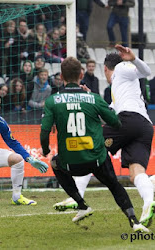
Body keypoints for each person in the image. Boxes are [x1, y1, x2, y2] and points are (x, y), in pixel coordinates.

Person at [40, 56, 148, 232]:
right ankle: (134, 221)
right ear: (81, 75)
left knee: (54, 162)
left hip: (70, 163)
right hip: (96, 159)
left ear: (61, 76)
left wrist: (45, 150)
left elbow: (44, 133)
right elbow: (116, 123)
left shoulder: (53, 101)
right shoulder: (94, 98)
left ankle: (81, 204)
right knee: (114, 184)